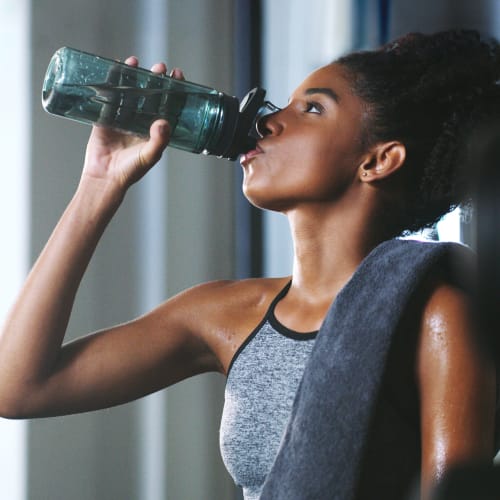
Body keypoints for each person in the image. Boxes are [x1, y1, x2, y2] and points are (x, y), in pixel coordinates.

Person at [0, 29, 498, 500]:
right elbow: (18, 388)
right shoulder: (227, 314)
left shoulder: (435, 312)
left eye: (313, 108)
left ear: (378, 160)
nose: (268, 121)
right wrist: (100, 182)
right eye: (283, 105)